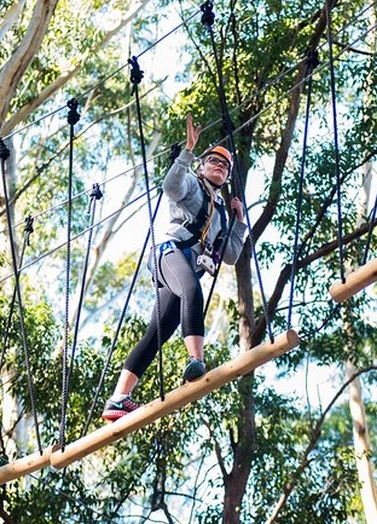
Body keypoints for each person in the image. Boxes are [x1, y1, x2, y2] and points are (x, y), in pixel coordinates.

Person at [102, 114, 247, 422]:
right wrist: (189, 151)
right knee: (192, 290)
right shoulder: (192, 187)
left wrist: (239, 222)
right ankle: (196, 359)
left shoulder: (222, 213)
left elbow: (231, 255)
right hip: (168, 253)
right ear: (202, 167)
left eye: (224, 166)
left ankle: (118, 398)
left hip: (184, 270)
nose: (219, 167)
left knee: (158, 333)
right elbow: (170, 185)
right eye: (213, 163)